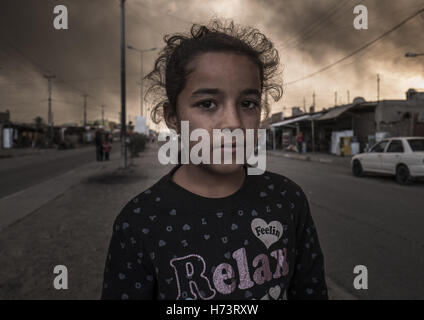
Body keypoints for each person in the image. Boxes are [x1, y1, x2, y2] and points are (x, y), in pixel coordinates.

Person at [101, 20, 328, 300]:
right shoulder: (140, 222)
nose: (233, 123)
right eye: (207, 104)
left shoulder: (287, 199)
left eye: (248, 104)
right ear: (173, 116)